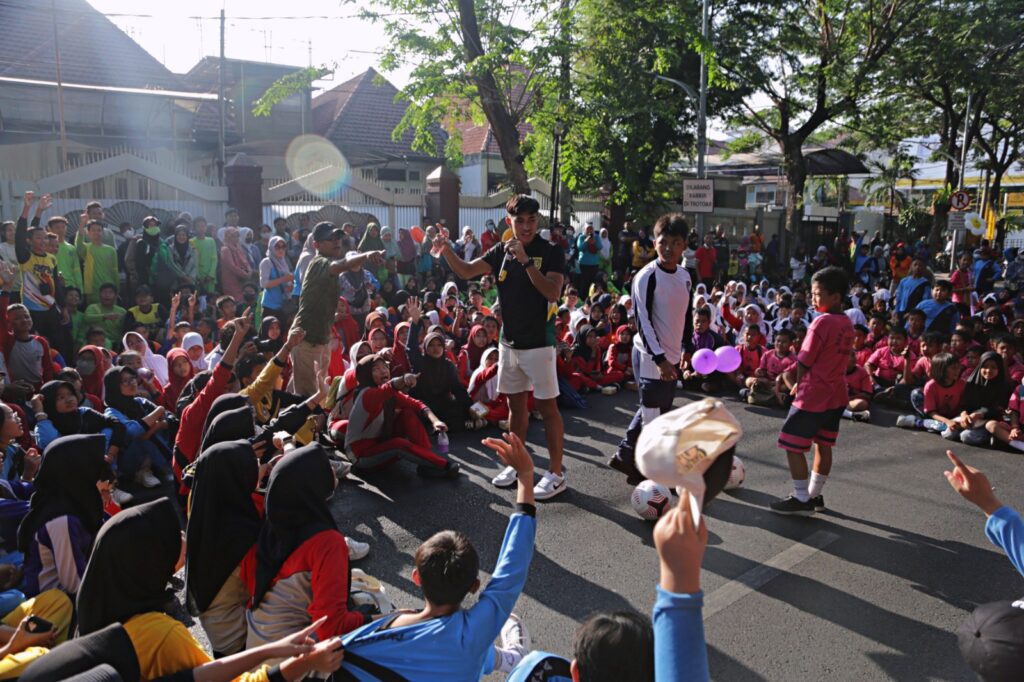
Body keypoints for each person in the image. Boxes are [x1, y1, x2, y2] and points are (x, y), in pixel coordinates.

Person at [76, 497, 345, 681]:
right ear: (151, 562)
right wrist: (307, 662)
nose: (183, 537)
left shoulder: (93, 616)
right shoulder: (160, 633)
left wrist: (268, 650)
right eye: (172, 537)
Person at [339, 432, 537, 679]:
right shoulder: (472, 633)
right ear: (475, 586)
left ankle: (506, 658)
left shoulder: (369, 635)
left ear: (416, 577)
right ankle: (511, 659)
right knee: (471, 650)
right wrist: (526, 477)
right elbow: (512, 567)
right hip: (466, 652)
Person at [435, 194, 568, 499]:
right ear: (510, 222)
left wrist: (526, 262)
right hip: (509, 343)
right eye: (519, 220)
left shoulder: (551, 252)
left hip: (540, 343)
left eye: (531, 220)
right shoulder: (500, 251)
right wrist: (445, 250)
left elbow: (552, 293)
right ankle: (518, 463)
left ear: (538, 220)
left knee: (548, 408)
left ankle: (556, 473)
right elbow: (467, 271)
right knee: (515, 407)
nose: (525, 226)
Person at [242, 444, 372, 653]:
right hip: (292, 662)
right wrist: (385, 618)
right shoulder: (328, 543)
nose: (332, 469)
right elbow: (331, 628)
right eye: (325, 466)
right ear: (310, 482)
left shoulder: (275, 522)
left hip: (259, 649)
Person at [608, 215, 692, 484]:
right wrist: (660, 359)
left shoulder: (685, 276)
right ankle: (650, 473)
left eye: (675, 243)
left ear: (684, 246)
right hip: (649, 355)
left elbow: (686, 315)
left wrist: (686, 350)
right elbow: (642, 322)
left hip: (672, 354)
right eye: (663, 242)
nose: (668, 248)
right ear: (654, 242)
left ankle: (626, 456)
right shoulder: (646, 277)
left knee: (657, 410)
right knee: (653, 415)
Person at [770, 266, 854, 516]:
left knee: (791, 444)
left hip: (814, 394)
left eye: (818, 294)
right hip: (837, 393)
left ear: (836, 297)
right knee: (823, 444)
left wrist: (794, 379)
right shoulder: (847, 322)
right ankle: (814, 495)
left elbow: (805, 360)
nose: (813, 299)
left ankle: (800, 497)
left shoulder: (821, 322)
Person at [185, 440, 262, 657]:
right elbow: (266, 588)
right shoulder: (240, 533)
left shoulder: (205, 509)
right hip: (239, 642)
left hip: (218, 632)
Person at [289, 222, 384, 397]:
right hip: (307, 339)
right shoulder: (319, 262)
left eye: (338, 237)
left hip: (320, 339)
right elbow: (342, 264)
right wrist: (367, 254)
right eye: (330, 239)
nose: (336, 241)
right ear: (316, 244)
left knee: (315, 394)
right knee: (308, 399)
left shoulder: (328, 264)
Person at [17, 434, 108, 599]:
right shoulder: (61, 519)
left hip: (84, 590)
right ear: (76, 471)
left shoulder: (79, 501)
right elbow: (75, 584)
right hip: (58, 607)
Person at [344, 354, 458, 477]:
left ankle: (427, 460)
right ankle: (443, 465)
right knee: (399, 444)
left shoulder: (386, 393)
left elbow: (416, 404)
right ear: (366, 374)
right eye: (376, 369)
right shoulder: (366, 394)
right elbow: (389, 387)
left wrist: (435, 421)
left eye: (385, 367)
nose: (383, 371)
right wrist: (404, 379)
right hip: (361, 456)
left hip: (379, 442)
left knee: (407, 413)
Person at [14, 193, 63, 349]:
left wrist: (63, 307)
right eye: (38, 238)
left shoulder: (51, 258)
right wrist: (28, 208)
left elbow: (56, 283)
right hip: (32, 310)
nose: (43, 241)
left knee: (55, 345)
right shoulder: (26, 257)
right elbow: (22, 234)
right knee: (37, 345)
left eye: (45, 238)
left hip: (50, 308)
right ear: (29, 241)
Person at [259, 236, 294, 327]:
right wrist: (284, 279)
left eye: (283, 246)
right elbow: (264, 284)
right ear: (271, 247)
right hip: (270, 306)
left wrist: (290, 286)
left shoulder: (283, 261)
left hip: (282, 306)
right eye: (277, 247)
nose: (280, 249)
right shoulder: (267, 262)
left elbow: (285, 282)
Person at [575, 221, 602, 299]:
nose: (589, 230)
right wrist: (586, 241)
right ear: (585, 229)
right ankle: (582, 298)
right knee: (584, 282)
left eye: (591, 229)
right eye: (588, 229)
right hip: (584, 264)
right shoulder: (581, 237)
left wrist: (594, 242)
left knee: (592, 282)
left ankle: (592, 298)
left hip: (594, 264)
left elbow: (600, 247)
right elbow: (580, 248)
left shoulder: (596, 237)